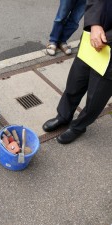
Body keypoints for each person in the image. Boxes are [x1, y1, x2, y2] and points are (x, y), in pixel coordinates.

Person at [42, 0, 112, 144]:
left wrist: (106, 38)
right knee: (75, 81)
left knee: (96, 96)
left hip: (108, 45)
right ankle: (63, 116)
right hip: (93, 37)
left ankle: (79, 126)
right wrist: (95, 24)